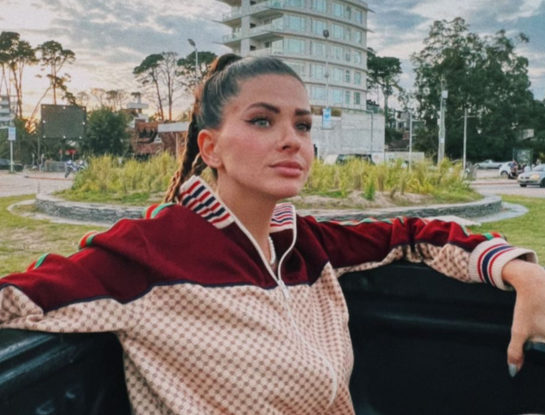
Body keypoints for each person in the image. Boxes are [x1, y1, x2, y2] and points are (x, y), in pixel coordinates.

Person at [1, 54, 545, 415]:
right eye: (263, 121)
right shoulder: (148, 252)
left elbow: (412, 234)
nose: (292, 140)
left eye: (302, 125)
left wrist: (520, 270)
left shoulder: (307, 244)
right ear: (211, 148)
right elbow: (19, 297)